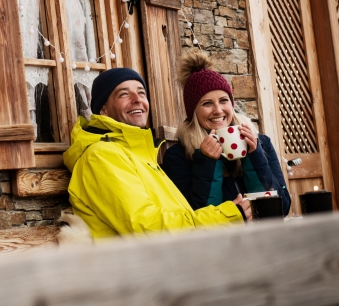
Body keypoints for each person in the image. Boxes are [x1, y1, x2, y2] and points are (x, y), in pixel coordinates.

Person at [63, 67, 251, 239]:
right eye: (123, 94)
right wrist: (229, 215)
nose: (137, 99)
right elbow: (147, 227)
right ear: (103, 110)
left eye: (141, 93)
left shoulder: (141, 155)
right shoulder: (101, 156)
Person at [162, 52, 291, 217]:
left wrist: (254, 155)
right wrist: (207, 162)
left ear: (232, 104)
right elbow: (196, 217)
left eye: (224, 100)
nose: (218, 110)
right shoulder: (178, 156)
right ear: (193, 112)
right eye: (207, 103)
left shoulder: (261, 143)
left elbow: (282, 207)